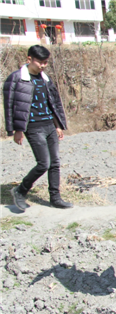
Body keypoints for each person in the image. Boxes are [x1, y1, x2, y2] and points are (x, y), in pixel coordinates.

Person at [4, 45, 72, 211]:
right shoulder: (16, 79)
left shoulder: (45, 79)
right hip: (33, 127)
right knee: (43, 163)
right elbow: (10, 106)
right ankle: (20, 191)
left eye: (45, 62)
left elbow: (53, 103)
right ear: (29, 59)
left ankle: (55, 198)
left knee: (54, 163)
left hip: (49, 125)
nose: (43, 65)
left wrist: (58, 125)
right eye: (40, 62)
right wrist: (16, 130)